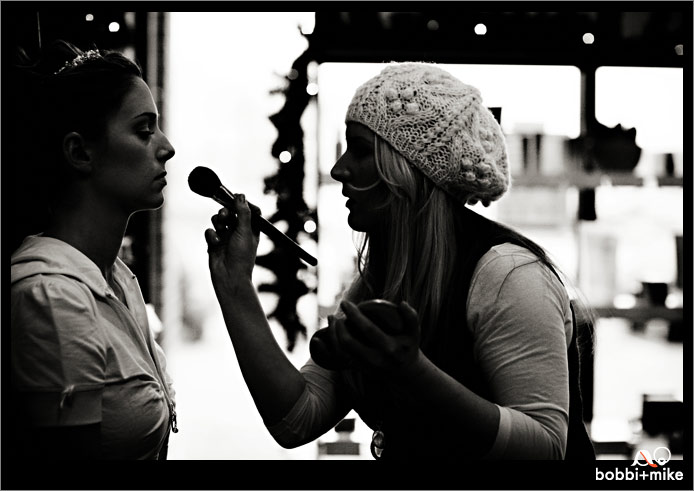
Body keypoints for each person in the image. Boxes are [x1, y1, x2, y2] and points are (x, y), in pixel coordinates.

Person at [204, 62, 595, 460]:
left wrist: (413, 371)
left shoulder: (507, 276)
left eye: (360, 150)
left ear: (409, 168)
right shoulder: (378, 281)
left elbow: (546, 449)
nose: (339, 169)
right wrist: (234, 285)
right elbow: (296, 419)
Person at [10, 40, 177, 460]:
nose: (166, 147)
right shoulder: (52, 297)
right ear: (80, 152)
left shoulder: (117, 278)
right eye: (144, 131)